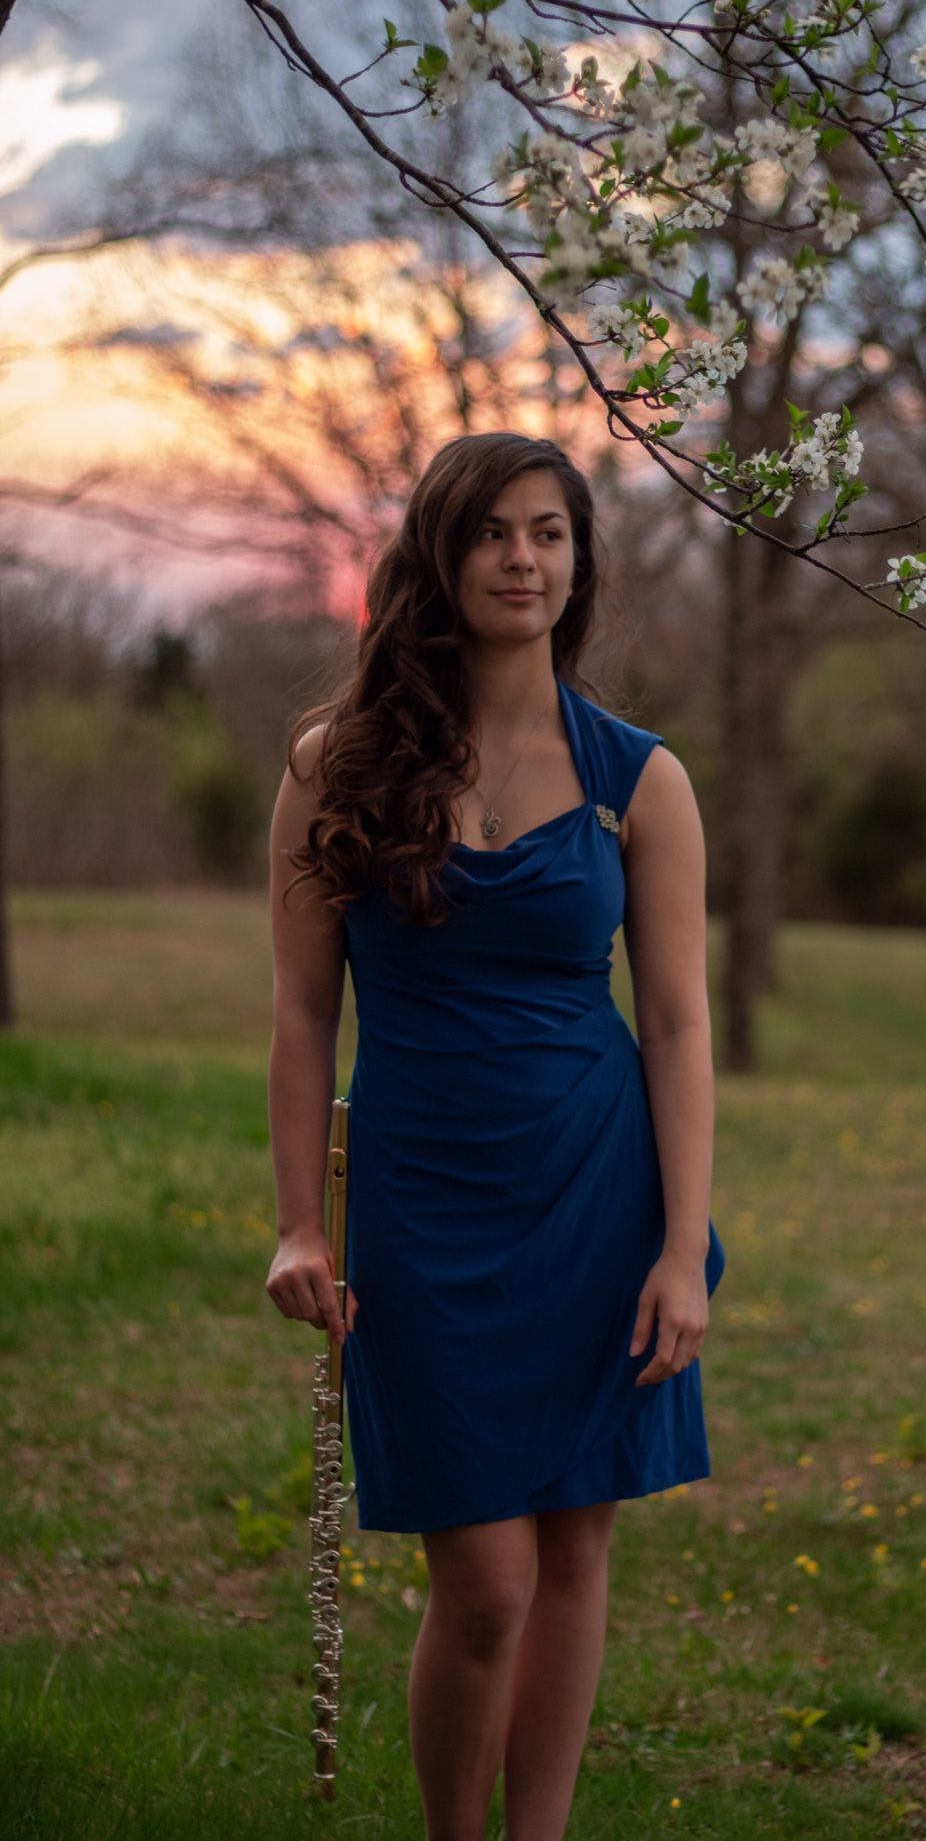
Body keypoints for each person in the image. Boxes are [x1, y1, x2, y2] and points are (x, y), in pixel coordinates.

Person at [264, 430, 727, 1841]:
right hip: (423, 1205)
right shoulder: (334, 764)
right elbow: (298, 1015)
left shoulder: (638, 778)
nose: (521, 560)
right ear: (438, 556)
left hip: (598, 1198)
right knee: (485, 1589)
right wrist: (298, 1222)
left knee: (575, 1553)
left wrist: (679, 1250)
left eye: (549, 534)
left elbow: (678, 1023)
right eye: (491, 533)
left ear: (579, 567)